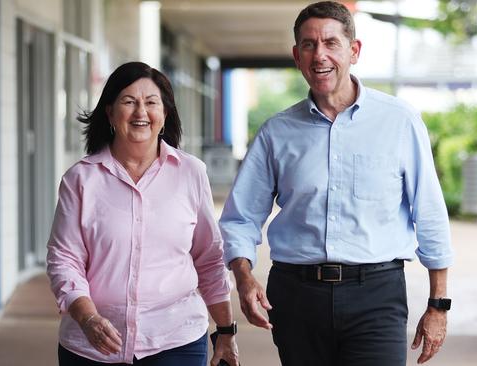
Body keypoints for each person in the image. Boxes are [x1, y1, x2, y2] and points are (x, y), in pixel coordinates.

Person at [219, 2, 453, 365]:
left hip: (376, 295)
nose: (320, 55)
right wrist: (245, 278)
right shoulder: (276, 133)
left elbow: (430, 212)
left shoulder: (399, 121)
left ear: (354, 51)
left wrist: (438, 304)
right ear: (297, 56)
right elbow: (240, 218)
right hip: (296, 297)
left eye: (331, 43)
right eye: (309, 45)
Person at [47, 61, 239, 366]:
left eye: (151, 103)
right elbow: (64, 259)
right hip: (92, 346)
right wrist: (87, 319)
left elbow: (209, 256)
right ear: (109, 112)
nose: (140, 113)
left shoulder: (190, 172)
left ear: (164, 115)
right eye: (128, 102)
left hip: (177, 339)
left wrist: (226, 331)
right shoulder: (81, 179)